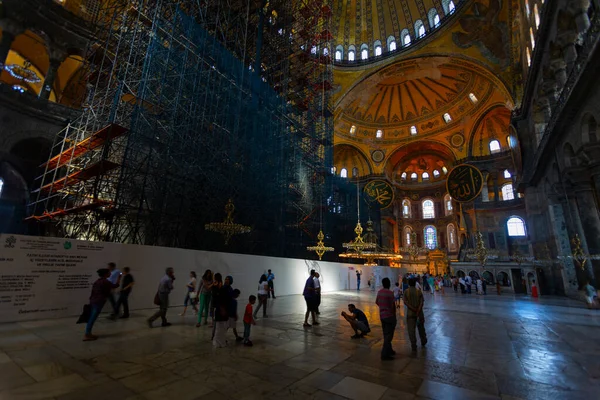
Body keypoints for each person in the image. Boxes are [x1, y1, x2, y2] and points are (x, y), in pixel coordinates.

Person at [84, 268, 119, 341]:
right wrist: (119, 278)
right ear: (105, 274)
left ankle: (88, 333)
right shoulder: (105, 281)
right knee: (92, 318)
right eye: (109, 272)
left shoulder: (98, 281)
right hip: (98, 302)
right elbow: (115, 286)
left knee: (92, 317)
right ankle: (87, 334)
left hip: (94, 300)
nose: (110, 273)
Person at [403, 278, 427, 351]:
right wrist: (418, 310)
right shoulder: (419, 291)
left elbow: (405, 302)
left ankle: (413, 344)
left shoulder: (406, 292)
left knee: (411, 330)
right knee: (421, 328)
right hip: (419, 314)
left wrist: (413, 309)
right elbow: (421, 302)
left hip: (410, 314)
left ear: (409, 284)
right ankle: (423, 341)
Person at [375, 277, 396, 360]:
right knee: (389, 335)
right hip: (389, 316)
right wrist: (393, 315)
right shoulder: (390, 293)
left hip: (382, 316)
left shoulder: (379, 292)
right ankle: (384, 354)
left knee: (386, 334)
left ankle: (389, 350)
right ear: (389, 284)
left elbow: (377, 302)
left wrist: (383, 307)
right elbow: (393, 306)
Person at [213, 274, 232, 347]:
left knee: (221, 328)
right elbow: (219, 299)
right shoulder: (220, 289)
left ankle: (220, 342)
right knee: (219, 328)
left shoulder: (223, 289)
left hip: (222, 309)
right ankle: (219, 343)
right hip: (220, 310)